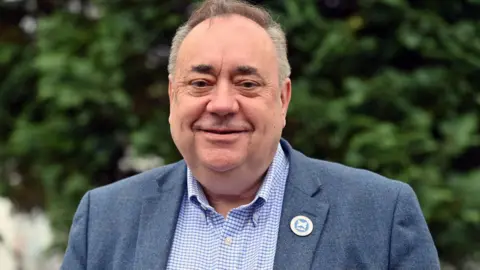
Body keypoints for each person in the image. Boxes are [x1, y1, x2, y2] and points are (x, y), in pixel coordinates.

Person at [61, 0, 440, 269]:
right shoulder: (105, 219)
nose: (222, 104)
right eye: (200, 82)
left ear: (283, 98)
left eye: (246, 83)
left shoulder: (380, 215)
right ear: (172, 95)